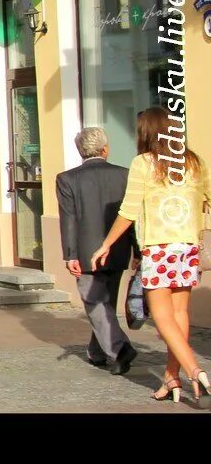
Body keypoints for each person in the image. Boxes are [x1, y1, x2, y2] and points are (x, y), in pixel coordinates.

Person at [91, 107, 210, 403]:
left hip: (159, 248)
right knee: (180, 313)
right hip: (188, 247)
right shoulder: (193, 162)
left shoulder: (144, 163)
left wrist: (106, 244)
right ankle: (172, 379)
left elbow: (128, 211)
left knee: (161, 316)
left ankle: (196, 372)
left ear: (147, 132)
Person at [57, 126, 138, 374]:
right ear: (105, 149)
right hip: (118, 249)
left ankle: (120, 349)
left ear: (80, 151)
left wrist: (70, 254)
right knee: (106, 304)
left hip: (85, 252)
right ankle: (97, 351)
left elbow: (68, 218)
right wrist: (138, 251)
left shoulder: (67, 178)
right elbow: (133, 216)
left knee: (95, 303)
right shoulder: (125, 175)